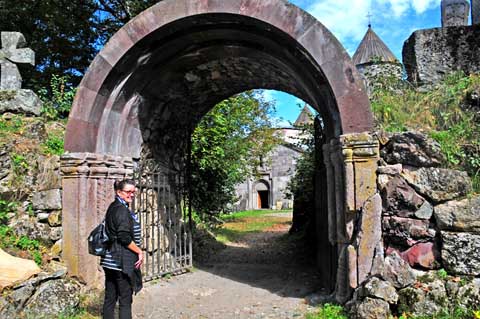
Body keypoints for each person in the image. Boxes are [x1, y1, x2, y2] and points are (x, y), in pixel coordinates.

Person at [101, 179, 143, 319]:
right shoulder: (121, 211)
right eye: (128, 192)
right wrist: (139, 251)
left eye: (133, 192)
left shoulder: (114, 206)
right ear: (119, 192)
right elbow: (124, 237)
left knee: (110, 297)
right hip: (120, 262)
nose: (131, 195)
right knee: (125, 300)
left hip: (110, 260)